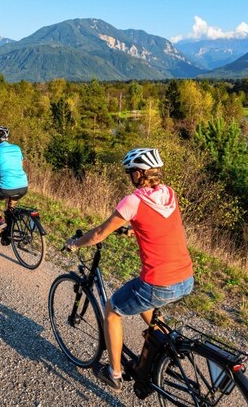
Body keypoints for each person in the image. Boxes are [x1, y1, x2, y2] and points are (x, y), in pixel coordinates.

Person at [63, 148, 194, 391]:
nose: (129, 177)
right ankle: (163, 348)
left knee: (112, 310)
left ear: (138, 173)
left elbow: (100, 233)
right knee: (145, 299)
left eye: (130, 172)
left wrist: (75, 243)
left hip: (159, 282)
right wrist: (136, 228)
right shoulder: (169, 193)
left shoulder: (133, 201)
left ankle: (114, 374)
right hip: (185, 277)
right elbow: (160, 223)